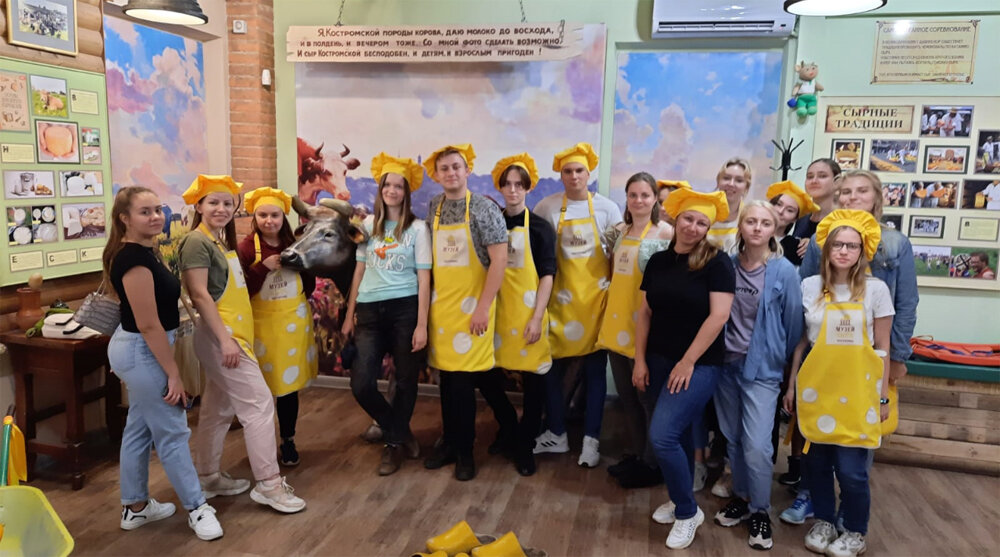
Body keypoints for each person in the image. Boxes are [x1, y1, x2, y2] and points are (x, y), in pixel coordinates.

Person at [792, 170, 918, 524]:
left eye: (861, 191)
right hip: (824, 364)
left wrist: (896, 358)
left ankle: (850, 512)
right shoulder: (820, 242)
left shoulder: (895, 245)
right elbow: (806, 300)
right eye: (845, 191)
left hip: (867, 362)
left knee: (856, 449)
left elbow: (905, 304)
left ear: (877, 197)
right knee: (817, 445)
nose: (852, 197)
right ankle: (812, 498)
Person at [178, 175, 306, 513]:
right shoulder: (196, 242)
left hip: (232, 336)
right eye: (213, 202)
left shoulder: (218, 241)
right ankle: (270, 485)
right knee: (260, 405)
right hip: (224, 337)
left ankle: (208, 476)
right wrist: (225, 340)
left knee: (217, 410)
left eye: (226, 203)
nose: (221, 209)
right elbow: (199, 295)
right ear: (199, 206)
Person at [105, 186, 223, 541]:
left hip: (143, 348)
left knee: (139, 429)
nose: (156, 216)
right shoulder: (132, 259)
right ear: (125, 218)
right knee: (173, 429)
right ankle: (197, 508)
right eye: (145, 212)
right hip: (142, 350)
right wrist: (173, 374)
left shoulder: (147, 251)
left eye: (158, 209)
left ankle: (135, 507)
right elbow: (148, 324)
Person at [784, 210, 893, 557]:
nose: (844, 251)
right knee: (816, 464)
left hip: (859, 391)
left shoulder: (876, 290)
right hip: (818, 389)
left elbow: (883, 347)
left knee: (852, 471)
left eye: (852, 245)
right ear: (827, 247)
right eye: (838, 244)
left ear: (863, 251)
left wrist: (882, 396)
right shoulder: (809, 286)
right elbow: (802, 341)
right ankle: (825, 522)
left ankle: (855, 531)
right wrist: (791, 386)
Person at [634, 189, 735, 550]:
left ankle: (688, 512)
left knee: (662, 436)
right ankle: (681, 500)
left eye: (702, 223)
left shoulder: (718, 263)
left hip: (699, 365)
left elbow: (719, 316)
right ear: (677, 219)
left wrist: (688, 361)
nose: (693, 227)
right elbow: (644, 313)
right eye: (689, 219)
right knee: (672, 437)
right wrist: (639, 359)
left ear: (708, 228)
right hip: (657, 360)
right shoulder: (658, 261)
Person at [711, 201, 803, 551]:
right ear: (741, 226)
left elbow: (792, 324)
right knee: (733, 438)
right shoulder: (727, 265)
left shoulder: (784, 271)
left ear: (773, 229)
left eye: (765, 223)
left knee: (757, 446)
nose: (757, 228)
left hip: (762, 370)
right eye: (751, 221)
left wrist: (776, 357)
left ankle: (761, 510)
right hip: (726, 366)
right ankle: (744, 496)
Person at [420, 144, 508, 481]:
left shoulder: (485, 208)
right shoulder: (435, 207)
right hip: (443, 310)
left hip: (474, 310)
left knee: (464, 383)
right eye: (444, 168)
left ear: (467, 169)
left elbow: (499, 261)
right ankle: (449, 443)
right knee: (447, 380)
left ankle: (465, 451)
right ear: (436, 174)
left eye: (456, 166)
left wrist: (483, 308)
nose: (451, 173)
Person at [532, 142, 622, 467]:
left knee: (596, 372)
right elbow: (538, 251)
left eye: (579, 170)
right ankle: (557, 432)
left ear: (588, 173)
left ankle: (591, 441)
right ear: (561, 175)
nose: (574, 176)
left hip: (595, 302)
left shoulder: (607, 209)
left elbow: (617, 256)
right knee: (550, 369)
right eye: (568, 171)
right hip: (559, 301)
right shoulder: (546, 207)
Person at [342, 153, 430, 476]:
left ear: (406, 192)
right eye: (387, 185)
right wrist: (349, 313)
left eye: (398, 186)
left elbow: (424, 278)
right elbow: (359, 271)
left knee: (406, 380)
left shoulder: (418, 229)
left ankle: (392, 445)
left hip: (405, 309)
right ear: (380, 190)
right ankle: (399, 431)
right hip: (369, 311)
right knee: (362, 384)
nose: (392, 191)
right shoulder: (367, 226)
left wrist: (422, 324)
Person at [598, 172, 672, 488]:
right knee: (627, 397)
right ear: (626, 199)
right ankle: (639, 455)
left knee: (646, 398)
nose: (639, 201)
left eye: (645, 195)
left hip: (644, 326)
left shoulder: (666, 233)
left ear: (654, 198)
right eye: (633, 195)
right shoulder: (619, 232)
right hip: (617, 324)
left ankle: (653, 464)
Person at [236, 187, 317, 469]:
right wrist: (263, 268)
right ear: (254, 218)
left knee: (287, 389)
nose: (269, 220)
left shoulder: (296, 245)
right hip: (261, 328)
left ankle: (288, 439)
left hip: (291, 326)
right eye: (263, 215)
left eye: (274, 215)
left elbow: (309, 282)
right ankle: (262, 444)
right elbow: (241, 291)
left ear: (283, 217)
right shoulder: (246, 248)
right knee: (260, 391)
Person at [488, 153, 557, 476]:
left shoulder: (540, 228)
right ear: (500, 187)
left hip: (530, 312)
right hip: (497, 312)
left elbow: (547, 275)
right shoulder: (492, 224)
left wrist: (536, 317)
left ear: (528, 188)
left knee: (535, 382)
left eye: (519, 184)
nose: (513, 190)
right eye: (508, 184)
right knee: (484, 373)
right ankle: (507, 426)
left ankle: (525, 444)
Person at [767, 180, 820, 267]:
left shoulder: (796, 249)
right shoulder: (750, 233)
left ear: (795, 219)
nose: (780, 211)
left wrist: (811, 247)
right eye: (778, 204)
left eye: (789, 210)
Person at [708, 158, 752, 253]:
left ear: (746, 187)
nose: (731, 184)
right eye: (726, 178)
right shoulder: (704, 213)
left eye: (739, 180)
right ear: (718, 181)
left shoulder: (750, 216)